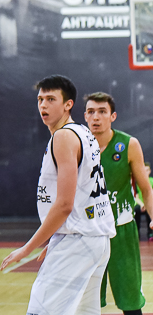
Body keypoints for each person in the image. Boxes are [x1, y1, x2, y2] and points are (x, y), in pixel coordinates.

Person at [1, 75, 115, 315]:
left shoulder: (63, 137)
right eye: (40, 99)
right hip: (96, 239)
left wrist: (27, 248)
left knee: (40, 311)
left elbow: (64, 204)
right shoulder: (83, 132)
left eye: (51, 99)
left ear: (68, 104)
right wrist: (56, 238)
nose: (43, 105)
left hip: (78, 240)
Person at [85, 92, 152, 315]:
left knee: (131, 302)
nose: (96, 117)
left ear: (113, 116)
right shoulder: (77, 146)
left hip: (121, 230)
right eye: (91, 112)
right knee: (87, 304)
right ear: (85, 116)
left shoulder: (129, 144)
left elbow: (146, 189)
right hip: (89, 233)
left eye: (102, 112)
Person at [134, 162, 153, 240]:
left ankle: (150, 234)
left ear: (150, 171)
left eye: (147, 170)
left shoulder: (152, 181)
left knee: (150, 209)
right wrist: (142, 204)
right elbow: (136, 196)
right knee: (136, 210)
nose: (145, 172)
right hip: (140, 204)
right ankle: (136, 234)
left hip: (149, 204)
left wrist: (148, 204)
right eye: (144, 170)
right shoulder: (137, 181)